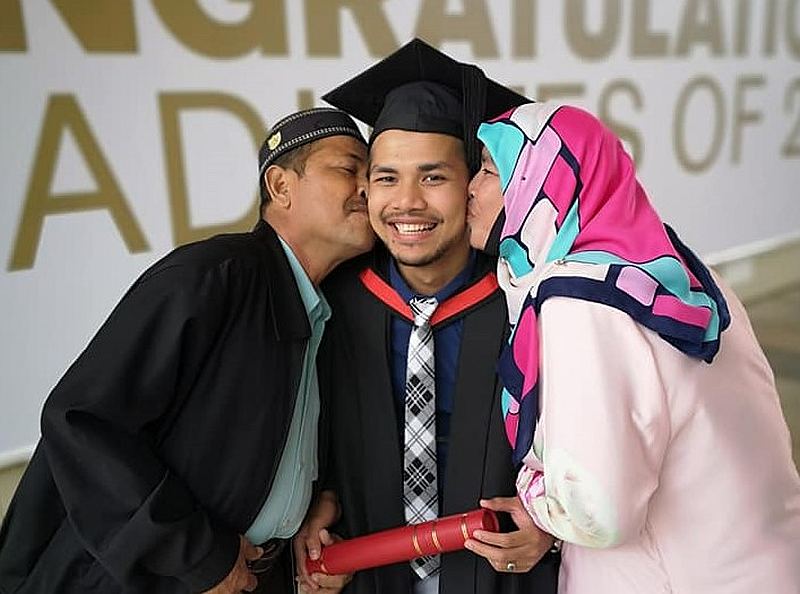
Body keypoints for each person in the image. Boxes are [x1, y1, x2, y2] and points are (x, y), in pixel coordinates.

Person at [0, 107, 375, 593]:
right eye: (349, 169)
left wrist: (319, 503)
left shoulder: (328, 312)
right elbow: (83, 420)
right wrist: (196, 553)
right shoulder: (211, 277)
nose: (369, 187)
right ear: (280, 186)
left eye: (372, 174)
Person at [465, 100, 800, 593]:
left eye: (492, 169)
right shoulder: (665, 269)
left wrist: (535, 492)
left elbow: (598, 511)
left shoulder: (581, 299)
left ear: (544, 182)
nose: (471, 187)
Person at [294, 39, 559, 594]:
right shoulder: (335, 304)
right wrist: (318, 504)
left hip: (505, 579)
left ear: (474, 185)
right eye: (387, 178)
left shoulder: (530, 305)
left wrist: (554, 529)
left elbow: (592, 446)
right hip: (373, 578)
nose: (407, 202)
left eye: (434, 177)